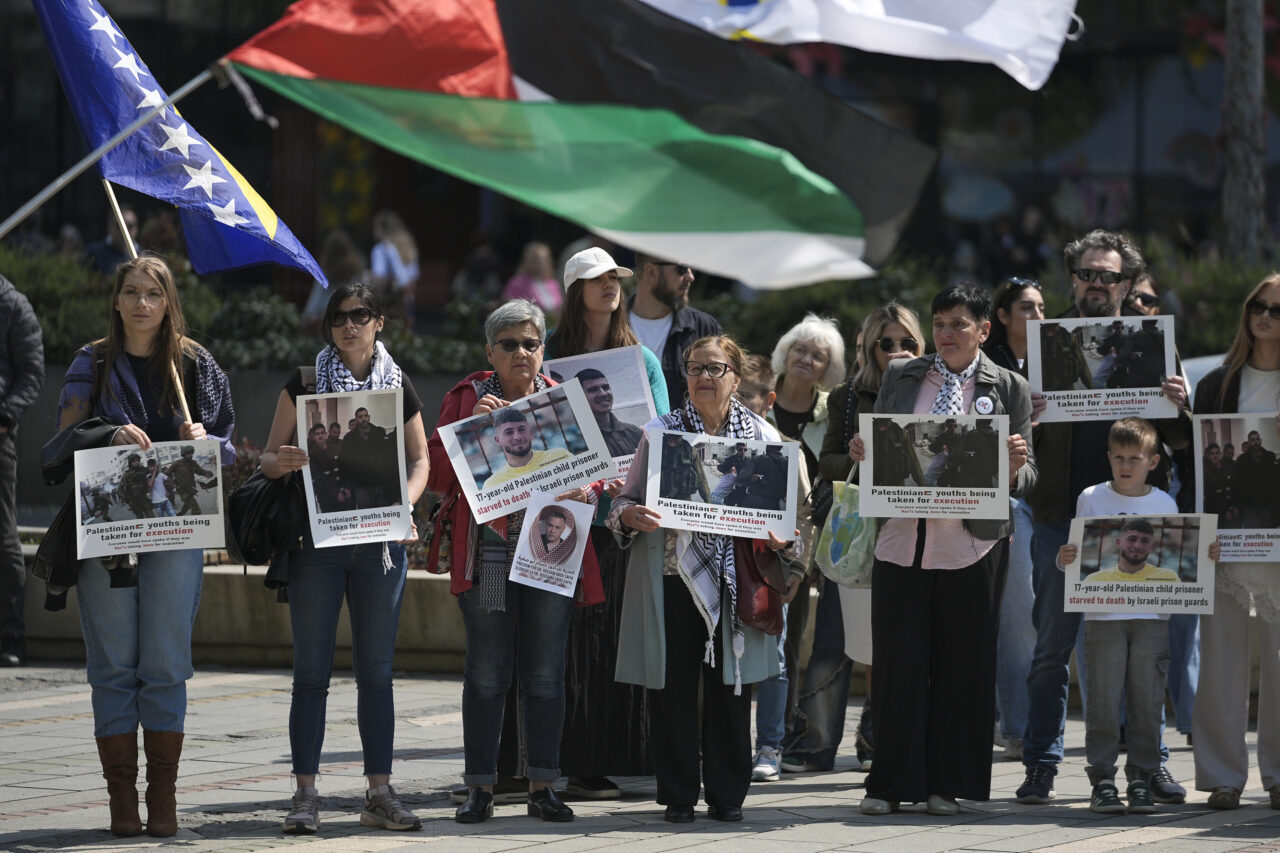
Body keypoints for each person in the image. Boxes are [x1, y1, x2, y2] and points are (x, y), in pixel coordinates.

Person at [55, 256, 236, 838]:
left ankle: (162, 795)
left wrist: (207, 441)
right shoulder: (92, 361)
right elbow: (59, 444)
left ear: (167, 302)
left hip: (176, 534)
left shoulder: (194, 363)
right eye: (130, 292)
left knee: (164, 664)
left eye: (152, 294)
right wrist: (108, 434)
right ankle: (120, 802)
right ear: (115, 300)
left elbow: (229, 452)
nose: (140, 303)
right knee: (112, 667)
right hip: (106, 533)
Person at [1019, 229, 1192, 807]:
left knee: (1145, 653)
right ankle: (1042, 765)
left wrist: (1179, 406)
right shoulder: (1045, 345)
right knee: (1052, 653)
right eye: (1088, 273)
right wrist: (1031, 420)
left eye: (1109, 275)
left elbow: (1182, 445)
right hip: (1060, 522)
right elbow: (1018, 443)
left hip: (1137, 520)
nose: (1098, 283)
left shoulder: (1152, 344)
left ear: (1125, 283)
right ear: (1073, 278)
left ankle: (1153, 764)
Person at [848, 283, 1035, 816]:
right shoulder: (902, 375)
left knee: (964, 666)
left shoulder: (1010, 387)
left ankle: (945, 785)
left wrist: (1017, 465)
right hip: (901, 540)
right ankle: (886, 784)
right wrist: (865, 452)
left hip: (973, 546)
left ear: (984, 330)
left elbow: (1030, 474)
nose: (947, 334)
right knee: (896, 665)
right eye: (940, 323)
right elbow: (877, 452)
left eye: (959, 324)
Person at [608, 334, 802, 823]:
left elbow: (789, 519)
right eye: (695, 369)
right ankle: (677, 795)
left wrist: (784, 539)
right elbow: (621, 504)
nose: (703, 378)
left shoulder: (764, 438)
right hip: (672, 575)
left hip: (735, 577)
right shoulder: (661, 432)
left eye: (715, 369)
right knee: (672, 689)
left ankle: (727, 795)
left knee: (731, 687)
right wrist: (631, 518)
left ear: (736, 378)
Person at [261, 282, 429, 835]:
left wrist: (406, 505)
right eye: (339, 318)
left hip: (379, 546)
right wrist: (282, 461)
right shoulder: (306, 384)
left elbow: (420, 459)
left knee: (376, 674)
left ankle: (379, 792)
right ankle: (305, 795)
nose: (349, 325)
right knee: (311, 674)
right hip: (317, 545)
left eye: (360, 315)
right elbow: (266, 459)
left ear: (380, 322)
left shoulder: (396, 385)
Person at [430, 299, 603, 824]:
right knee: (487, 672)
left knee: (546, 673)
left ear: (543, 350)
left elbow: (594, 474)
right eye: (509, 344)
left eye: (531, 343)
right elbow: (436, 475)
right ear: (490, 352)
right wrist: (472, 433)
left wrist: (588, 488)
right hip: (490, 557)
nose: (521, 353)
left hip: (549, 554)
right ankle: (480, 787)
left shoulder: (561, 403)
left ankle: (543, 787)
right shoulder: (466, 399)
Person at [545, 246, 669, 801]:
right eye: (597, 279)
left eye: (615, 278)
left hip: (623, 519)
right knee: (576, 641)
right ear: (575, 290)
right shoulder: (548, 354)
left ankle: (631, 755)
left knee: (622, 633)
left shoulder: (641, 361)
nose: (610, 286)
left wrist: (634, 484)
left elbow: (661, 434)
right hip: (567, 518)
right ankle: (579, 760)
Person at [785, 302, 924, 774]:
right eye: (887, 343)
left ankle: (877, 742)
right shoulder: (847, 396)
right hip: (857, 532)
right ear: (869, 347)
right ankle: (815, 744)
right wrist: (856, 455)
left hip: (914, 532)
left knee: (892, 645)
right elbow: (826, 465)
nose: (897, 351)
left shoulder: (936, 393)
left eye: (907, 342)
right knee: (833, 641)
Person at [1055, 421, 1220, 814]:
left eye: (1135, 459)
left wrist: (1204, 558)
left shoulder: (1164, 503)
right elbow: (1073, 560)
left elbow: (1182, 565)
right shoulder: (1090, 498)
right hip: (1102, 620)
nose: (1126, 466)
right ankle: (1103, 781)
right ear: (1109, 458)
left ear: (1153, 461)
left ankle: (1142, 780)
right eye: (1119, 458)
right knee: (1103, 702)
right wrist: (1063, 561)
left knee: (1148, 703)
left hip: (1152, 619)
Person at [1191, 273, 1280, 811]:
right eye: (1258, 305)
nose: (1265, 314)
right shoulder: (1217, 383)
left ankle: (1278, 777)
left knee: (1279, 661)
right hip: (1224, 538)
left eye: (1276, 308)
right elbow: (1199, 463)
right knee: (1220, 659)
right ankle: (1222, 776)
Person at [736, 355, 809, 784]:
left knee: (774, 659)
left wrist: (798, 565)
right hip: (726, 564)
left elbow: (804, 510)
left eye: (748, 396)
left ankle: (770, 745)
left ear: (769, 400)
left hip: (770, 567)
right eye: (736, 394)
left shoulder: (784, 449)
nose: (740, 404)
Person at [983, 277, 1045, 762]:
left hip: (1056, 497)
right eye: (1027, 307)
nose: (1038, 315)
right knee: (1018, 616)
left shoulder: (1058, 358)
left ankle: (1041, 728)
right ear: (1001, 316)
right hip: (1006, 499)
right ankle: (1019, 728)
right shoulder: (990, 371)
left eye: (1043, 306)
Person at [0, 274, 44, 668]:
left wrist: (4, 418)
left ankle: (11, 636)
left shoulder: (13, 305)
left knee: (3, 537)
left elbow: (31, 374)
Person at [628, 252, 722, 404]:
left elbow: (722, 396)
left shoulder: (704, 328)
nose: (691, 277)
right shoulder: (609, 325)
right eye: (682, 269)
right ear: (651, 272)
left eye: (692, 269)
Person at [769, 314, 846, 481]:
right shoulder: (757, 395)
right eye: (800, 350)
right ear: (787, 352)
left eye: (817, 357)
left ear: (828, 368)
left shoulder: (832, 410)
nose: (805, 360)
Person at [482, 407, 572, 489]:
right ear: (498, 440)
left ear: (531, 433)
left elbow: (585, 487)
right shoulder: (493, 485)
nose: (517, 437)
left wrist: (584, 493)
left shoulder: (560, 456)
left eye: (521, 429)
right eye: (509, 432)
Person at [339, 406, 402, 508]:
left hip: (380, 483)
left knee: (383, 516)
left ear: (369, 417)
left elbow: (387, 456)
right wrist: (346, 484)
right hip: (361, 485)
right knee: (366, 517)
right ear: (356, 420)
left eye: (365, 415)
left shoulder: (379, 433)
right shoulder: (349, 438)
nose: (363, 419)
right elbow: (344, 462)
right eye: (360, 417)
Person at [577, 368, 643, 457]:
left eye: (605, 387)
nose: (603, 394)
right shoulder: (577, 443)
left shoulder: (634, 432)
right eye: (593, 390)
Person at [369, 210, 419, 323]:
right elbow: (413, 279)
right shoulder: (408, 246)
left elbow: (379, 279)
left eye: (375, 227)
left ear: (381, 229)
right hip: (408, 302)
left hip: (388, 304)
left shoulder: (381, 249)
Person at [503, 241, 563, 320]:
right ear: (526, 261)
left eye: (544, 259)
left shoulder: (553, 283)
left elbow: (560, 308)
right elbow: (508, 310)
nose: (540, 263)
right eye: (535, 260)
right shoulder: (517, 283)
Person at [305, 423, 351, 514]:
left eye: (322, 433)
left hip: (343, 492)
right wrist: (336, 494)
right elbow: (319, 478)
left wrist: (346, 488)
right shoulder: (312, 455)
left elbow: (344, 470)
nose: (320, 436)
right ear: (314, 436)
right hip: (327, 497)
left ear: (326, 434)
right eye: (317, 434)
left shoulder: (336, 449)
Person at [1039, 322, 1094, 391]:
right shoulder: (1035, 337)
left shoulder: (1068, 337)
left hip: (1066, 387)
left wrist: (1091, 389)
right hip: (1043, 388)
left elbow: (1082, 363)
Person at [85, 206, 138, 276]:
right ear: (109, 227)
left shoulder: (144, 257)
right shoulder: (92, 254)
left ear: (137, 229)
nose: (125, 230)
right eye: (119, 225)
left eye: (130, 226)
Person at [659, 432, 710, 501]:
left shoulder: (691, 451)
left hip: (684, 498)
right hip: (661, 496)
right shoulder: (657, 446)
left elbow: (701, 477)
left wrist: (707, 499)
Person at [167, 445, 213, 516]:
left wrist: (207, 473)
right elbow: (167, 473)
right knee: (196, 510)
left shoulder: (193, 463)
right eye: (188, 454)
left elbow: (200, 471)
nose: (190, 455)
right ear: (184, 454)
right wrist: (171, 482)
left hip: (191, 489)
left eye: (191, 453)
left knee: (188, 505)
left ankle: (179, 515)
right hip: (182, 490)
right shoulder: (177, 464)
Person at [120, 453, 154, 519]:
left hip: (145, 499)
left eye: (137, 460)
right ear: (130, 463)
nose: (136, 462)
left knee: (151, 517)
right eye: (134, 461)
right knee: (140, 519)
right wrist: (126, 499)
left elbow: (153, 474)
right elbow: (119, 489)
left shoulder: (144, 470)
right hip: (135, 502)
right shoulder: (127, 475)